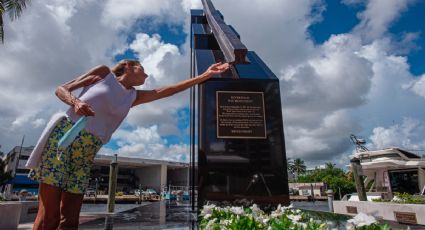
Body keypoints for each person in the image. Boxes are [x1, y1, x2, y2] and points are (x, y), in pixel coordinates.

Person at [25, 60, 230, 229]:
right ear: (129, 66)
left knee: (69, 220)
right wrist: (75, 102)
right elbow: (61, 89)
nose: (147, 75)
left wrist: (205, 75)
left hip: (87, 152)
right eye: (143, 69)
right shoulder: (103, 74)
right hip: (64, 141)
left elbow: (168, 91)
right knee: (48, 218)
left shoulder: (133, 96)